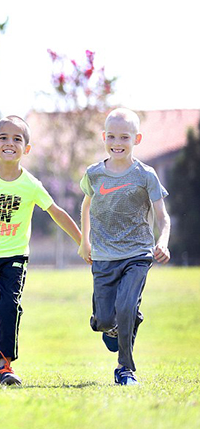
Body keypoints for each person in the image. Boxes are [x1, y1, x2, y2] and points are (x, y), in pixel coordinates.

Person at [0, 115, 82, 386]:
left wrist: (82, 241)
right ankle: (0, 314)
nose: (9, 143)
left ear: (27, 148)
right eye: (3, 138)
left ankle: (4, 366)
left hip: (14, 256)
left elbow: (56, 212)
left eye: (17, 139)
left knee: (10, 304)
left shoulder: (31, 185)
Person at [77, 108, 171, 386]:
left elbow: (163, 217)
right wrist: (84, 241)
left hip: (137, 254)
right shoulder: (94, 174)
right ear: (104, 137)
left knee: (126, 306)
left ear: (136, 139)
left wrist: (162, 241)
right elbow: (86, 205)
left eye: (125, 137)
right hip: (104, 256)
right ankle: (121, 323)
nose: (117, 142)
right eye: (112, 136)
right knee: (105, 320)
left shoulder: (146, 175)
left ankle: (125, 369)